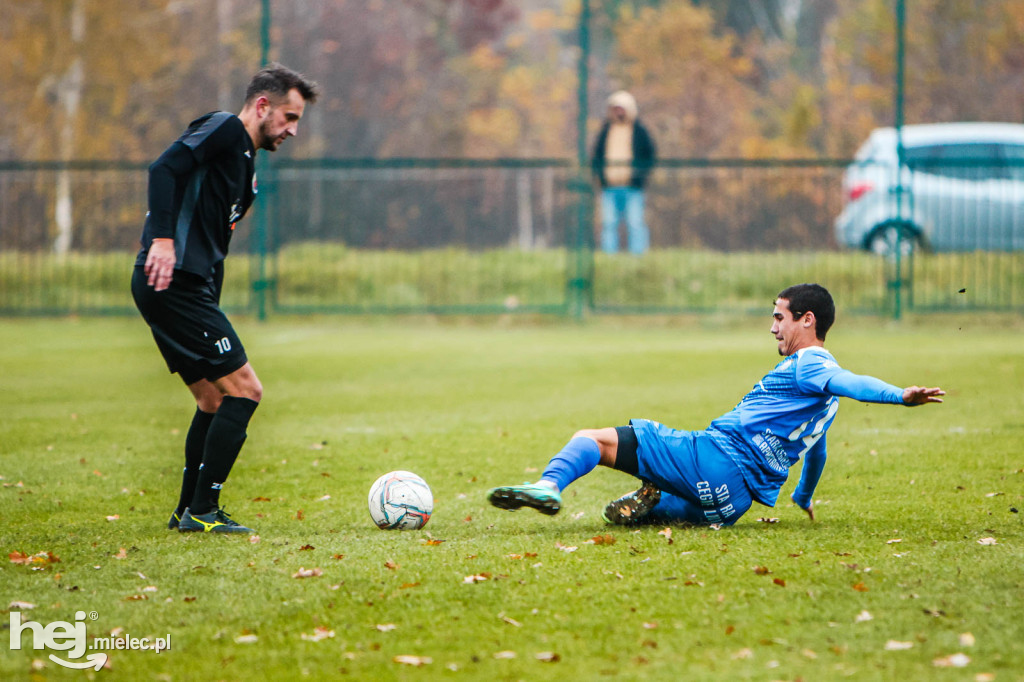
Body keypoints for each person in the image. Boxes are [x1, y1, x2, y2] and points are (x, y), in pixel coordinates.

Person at [488, 283, 945, 526]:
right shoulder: (823, 404)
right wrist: (803, 497)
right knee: (649, 509)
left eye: (779, 317)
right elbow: (816, 451)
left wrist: (897, 395)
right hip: (733, 505)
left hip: (714, 459)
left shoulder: (812, 366)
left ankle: (549, 485)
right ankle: (657, 502)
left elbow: (852, 381)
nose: (773, 328)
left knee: (593, 439)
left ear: (808, 320)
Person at [131, 64, 319, 533]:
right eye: (289, 117)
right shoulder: (224, 127)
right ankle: (204, 510)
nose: (292, 130)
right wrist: (162, 239)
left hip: (188, 287)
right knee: (247, 390)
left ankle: (187, 512)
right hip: (174, 282)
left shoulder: (247, 168)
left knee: (213, 399)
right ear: (262, 106)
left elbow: (215, 242)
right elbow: (164, 168)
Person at [591, 90, 657, 255]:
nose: (619, 112)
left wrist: (641, 174)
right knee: (609, 223)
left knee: (635, 223)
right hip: (610, 186)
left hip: (632, 185)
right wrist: (600, 176)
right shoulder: (606, 131)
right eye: (616, 109)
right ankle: (609, 256)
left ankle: (638, 256)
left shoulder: (639, 131)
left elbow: (650, 154)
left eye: (621, 108)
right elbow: (597, 155)